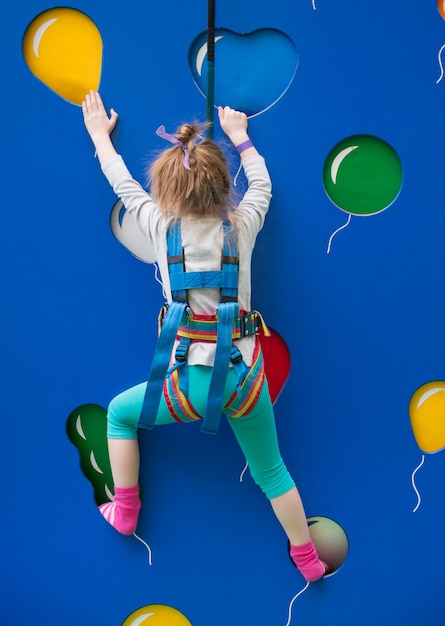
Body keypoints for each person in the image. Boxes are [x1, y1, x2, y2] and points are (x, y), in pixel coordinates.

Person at [81, 90, 328, 582]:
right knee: (272, 472)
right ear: (221, 189)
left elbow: (123, 183)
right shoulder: (244, 224)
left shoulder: (157, 223)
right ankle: (308, 560)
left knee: (118, 416)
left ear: (166, 190)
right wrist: (240, 137)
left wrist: (98, 138)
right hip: (246, 381)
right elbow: (262, 184)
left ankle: (125, 511)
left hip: (188, 384)